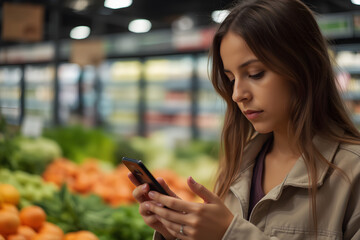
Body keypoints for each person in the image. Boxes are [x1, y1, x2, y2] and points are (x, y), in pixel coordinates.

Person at [128, 0, 360, 239]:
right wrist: (177, 230)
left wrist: (230, 234)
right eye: (231, 79)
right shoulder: (239, 164)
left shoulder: (352, 173)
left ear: (303, 67)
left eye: (255, 74)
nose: (238, 94)